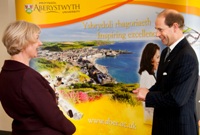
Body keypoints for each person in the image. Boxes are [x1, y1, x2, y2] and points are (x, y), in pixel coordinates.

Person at [0, 20, 76, 135]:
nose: (40, 43)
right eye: (36, 38)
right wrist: (71, 128)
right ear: (24, 42)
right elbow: (51, 114)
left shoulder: (6, 72)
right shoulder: (27, 77)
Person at [133, 9, 199, 135]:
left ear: (175, 27)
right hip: (163, 125)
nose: (157, 34)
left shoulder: (186, 56)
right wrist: (147, 91)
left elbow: (177, 99)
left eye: (160, 29)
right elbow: (161, 85)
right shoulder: (165, 53)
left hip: (178, 129)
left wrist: (148, 96)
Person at [138, 43, 160, 125]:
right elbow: (148, 101)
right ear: (151, 59)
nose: (159, 60)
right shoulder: (147, 76)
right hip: (151, 120)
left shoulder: (148, 74)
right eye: (157, 57)